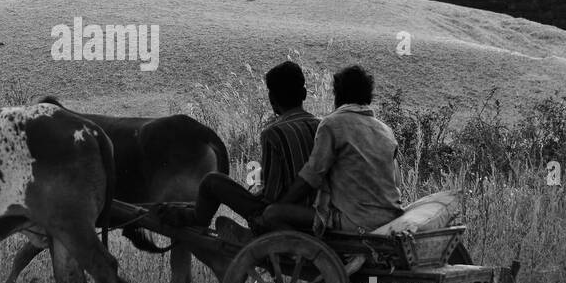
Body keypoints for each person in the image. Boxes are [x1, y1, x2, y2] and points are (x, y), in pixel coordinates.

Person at [162, 61, 318, 233]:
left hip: (280, 215)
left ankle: (197, 220)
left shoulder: (273, 134)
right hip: (313, 214)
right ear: (304, 93)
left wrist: (251, 198)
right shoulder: (322, 127)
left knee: (211, 181)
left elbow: (272, 196)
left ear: (272, 100)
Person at [262, 65, 404, 235]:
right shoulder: (385, 130)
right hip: (391, 218)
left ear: (337, 95)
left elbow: (312, 176)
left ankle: (304, 253)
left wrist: (281, 205)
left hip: (354, 220)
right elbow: (395, 182)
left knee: (272, 215)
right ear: (368, 96)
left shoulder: (332, 124)